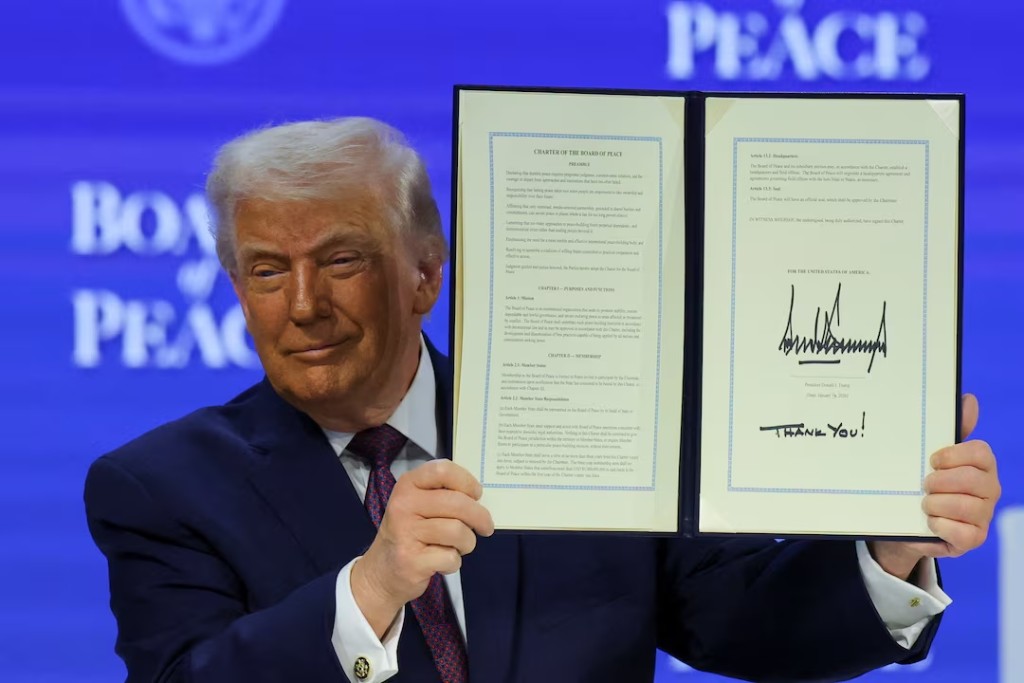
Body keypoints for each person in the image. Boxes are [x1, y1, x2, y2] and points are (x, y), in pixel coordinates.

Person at [84, 118, 1002, 683]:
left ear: (425, 275)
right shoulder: (160, 487)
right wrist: (372, 589)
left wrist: (889, 544)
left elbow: (735, 617)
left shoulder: (587, 418)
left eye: (342, 259)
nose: (304, 304)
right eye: (266, 270)